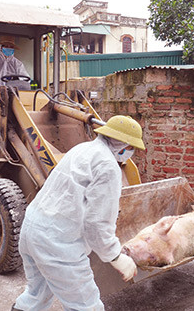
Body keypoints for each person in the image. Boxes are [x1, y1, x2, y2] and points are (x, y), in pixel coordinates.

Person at [13, 115, 145, 311]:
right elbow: (97, 223)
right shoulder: (108, 166)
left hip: (32, 230)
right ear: (123, 144)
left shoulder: (83, 149)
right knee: (86, 306)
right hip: (57, 242)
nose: (131, 152)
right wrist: (116, 256)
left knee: (36, 295)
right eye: (131, 147)